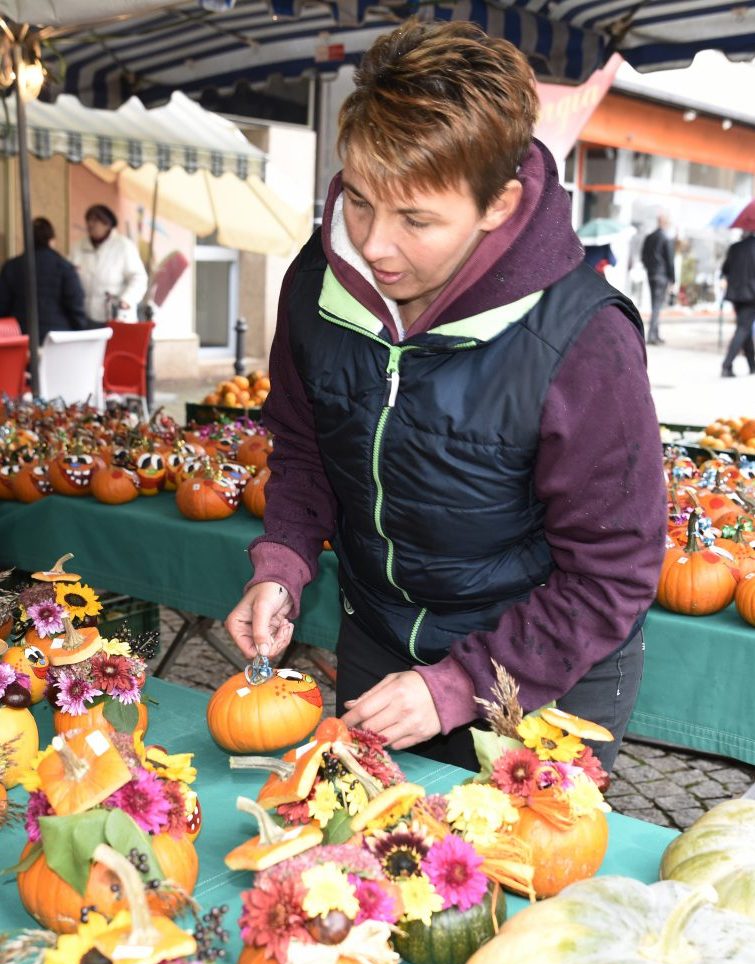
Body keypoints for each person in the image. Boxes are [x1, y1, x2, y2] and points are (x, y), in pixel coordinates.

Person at [225, 20, 667, 774]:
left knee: (504, 874)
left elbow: (612, 571)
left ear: (497, 203)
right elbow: (303, 446)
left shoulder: (584, 341)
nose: (373, 244)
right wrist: (283, 560)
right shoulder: (315, 285)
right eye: (358, 201)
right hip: (379, 636)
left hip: (544, 673)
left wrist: (462, 683)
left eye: (416, 219)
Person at [0, 217, 88, 341]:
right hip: (58, 337)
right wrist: (80, 330)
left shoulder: (11, 266)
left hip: (21, 335)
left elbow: (2, 305)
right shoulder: (64, 267)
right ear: (51, 240)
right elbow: (75, 304)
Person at [69, 204, 148, 325]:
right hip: (84, 317)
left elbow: (139, 278)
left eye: (95, 220)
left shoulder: (123, 246)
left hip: (115, 317)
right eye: (88, 220)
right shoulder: (78, 247)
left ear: (107, 224)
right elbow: (68, 276)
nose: (90, 224)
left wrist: (127, 300)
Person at [720, 231, 755, 377]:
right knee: (743, 328)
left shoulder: (735, 247)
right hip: (751, 294)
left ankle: (752, 364)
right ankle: (727, 365)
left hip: (736, 294)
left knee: (744, 327)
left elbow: (725, 269)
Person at [641, 214, 675, 344]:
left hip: (651, 274)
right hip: (662, 276)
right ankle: (651, 336)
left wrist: (649, 268)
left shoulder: (649, 237)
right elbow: (670, 260)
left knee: (655, 304)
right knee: (657, 306)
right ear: (665, 222)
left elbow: (643, 256)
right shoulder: (666, 238)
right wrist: (673, 279)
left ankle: (656, 334)